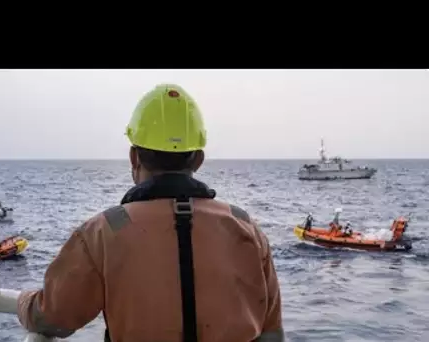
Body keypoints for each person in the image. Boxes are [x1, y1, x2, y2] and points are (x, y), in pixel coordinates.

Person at [16, 84, 284, 342]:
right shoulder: (247, 227)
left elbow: (52, 319)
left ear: (134, 158)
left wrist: (24, 303)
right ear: (198, 160)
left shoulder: (104, 232)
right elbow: (271, 334)